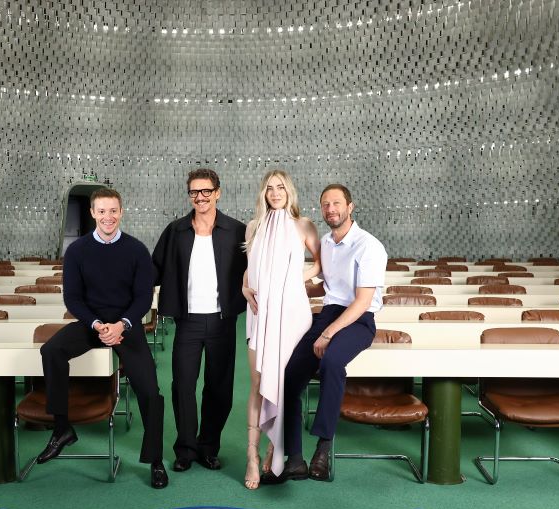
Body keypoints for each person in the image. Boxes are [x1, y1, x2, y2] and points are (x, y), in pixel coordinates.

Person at [37, 187, 168, 489]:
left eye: (113, 211)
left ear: (121, 212)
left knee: (150, 391)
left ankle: (156, 460)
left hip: (126, 327)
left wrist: (122, 325)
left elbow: (143, 297)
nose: (108, 217)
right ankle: (61, 428)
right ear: (92, 213)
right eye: (102, 211)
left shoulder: (136, 250)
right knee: (51, 351)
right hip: (91, 324)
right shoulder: (77, 251)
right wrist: (97, 325)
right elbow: (73, 298)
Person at [282, 184, 387, 481]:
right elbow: (327, 286)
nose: (331, 209)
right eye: (326, 204)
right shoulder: (326, 243)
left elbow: (362, 301)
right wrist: (289, 287)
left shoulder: (369, 246)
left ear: (350, 207)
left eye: (337, 203)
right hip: (329, 313)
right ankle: (295, 458)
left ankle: (323, 448)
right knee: (289, 377)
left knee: (331, 362)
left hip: (359, 319)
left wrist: (328, 333)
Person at [152, 169, 247, 473]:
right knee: (183, 386)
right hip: (188, 320)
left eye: (206, 191)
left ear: (218, 192)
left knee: (219, 388)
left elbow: (256, 270)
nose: (200, 197)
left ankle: (208, 447)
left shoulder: (237, 231)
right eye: (194, 192)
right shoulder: (176, 230)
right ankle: (185, 449)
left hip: (222, 321)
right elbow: (153, 269)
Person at [242, 170, 321, 489]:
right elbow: (250, 270)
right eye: (270, 188)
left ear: (290, 191)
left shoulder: (304, 225)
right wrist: (245, 287)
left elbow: (320, 265)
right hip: (260, 313)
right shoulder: (253, 226)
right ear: (263, 193)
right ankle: (251, 455)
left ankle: (275, 449)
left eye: (281, 187)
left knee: (283, 383)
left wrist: (290, 282)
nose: (275, 193)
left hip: (291, 313)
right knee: (258, 381)